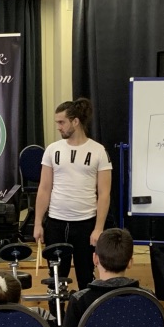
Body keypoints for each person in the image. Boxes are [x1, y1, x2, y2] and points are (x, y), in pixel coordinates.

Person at [33, 97, 112, 292]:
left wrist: (98, 228)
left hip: (86, 224)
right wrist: (38, 223)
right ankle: (56, 312)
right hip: (56, 223)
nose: (58, 127)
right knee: (56, 279)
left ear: (75, 121)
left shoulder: (98, 151)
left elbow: (104, 193)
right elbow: (44, 188)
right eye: (57, 122)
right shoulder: (52, 150)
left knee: (86, 277)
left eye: (62, 122)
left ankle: (85, 311)